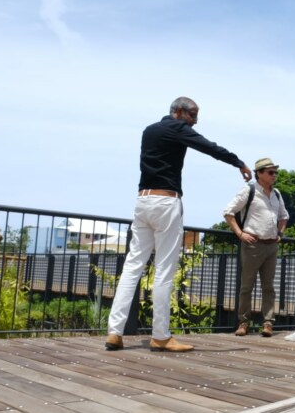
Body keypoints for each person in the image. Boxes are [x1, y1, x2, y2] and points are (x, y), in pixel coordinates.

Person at [106, 97, 251, 352]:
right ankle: (160, 335)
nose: (195, 121)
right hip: (165, 202)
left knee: (132, 267)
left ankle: (114, 333)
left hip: (142, 201)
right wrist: (238, 162)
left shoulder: (149, 130)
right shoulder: (178, 129)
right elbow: (209, 147)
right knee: (164, 269)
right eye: (193, 115)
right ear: (180, 111)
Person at [225, 158, 289, 337]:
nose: (274, 175)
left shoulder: (276, 193)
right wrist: (240, 233)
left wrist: (280, 233)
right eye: (270, 172)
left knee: (269, 287)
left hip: (271, 246)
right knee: (247, 286)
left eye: (275, 172)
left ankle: (268, 323)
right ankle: (243, 322)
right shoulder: (249, 190)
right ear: (259, 173)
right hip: (252, 245)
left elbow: (284, 216)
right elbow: (228, 212)